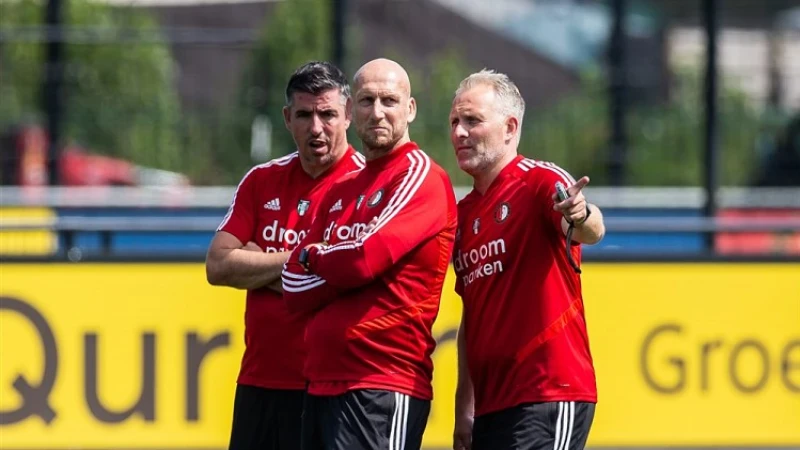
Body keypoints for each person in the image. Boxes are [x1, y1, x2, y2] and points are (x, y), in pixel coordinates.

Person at [280, 58, 457, 450]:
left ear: (409, 109)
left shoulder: (421, 176)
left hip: (381, 384)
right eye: (366, 101)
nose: (377, 112)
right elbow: (292, 286)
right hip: (322, 383)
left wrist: (317, 258)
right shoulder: (342, 188)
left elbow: (364, 258)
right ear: (349, 112)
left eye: (389, 101)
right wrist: (336, 266)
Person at [205, 61, 365, 450]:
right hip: (260, 382)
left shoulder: (367, 186)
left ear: (346, 116)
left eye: (327, 114)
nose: (316, 128)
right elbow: (218, 264)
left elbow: (346, 279)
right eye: (305, 115)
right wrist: (302, 260)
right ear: (287, 118)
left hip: (331, 387)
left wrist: (260, 260)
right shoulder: (261, 181)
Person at [448, 69, 606, 450]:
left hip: (547, 394)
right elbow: (473, 317)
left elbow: (592, 228)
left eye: (472, 121)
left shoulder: (537, 182)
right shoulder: (462, 214)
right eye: (454, 121)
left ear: (509, 127)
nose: (459, 133)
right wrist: (463, 408)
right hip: (491, 406)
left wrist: (580, 214)